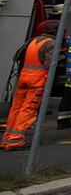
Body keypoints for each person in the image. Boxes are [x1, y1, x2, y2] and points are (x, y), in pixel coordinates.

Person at [1, 21, 59, 151]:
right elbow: (50, 64)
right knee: (28, 109)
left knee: (16, 108)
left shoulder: (32, 41)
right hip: (37, 80)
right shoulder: (51, 43)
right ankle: (15, 140)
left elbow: (16, 56)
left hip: (23, 77)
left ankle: (7, 138)